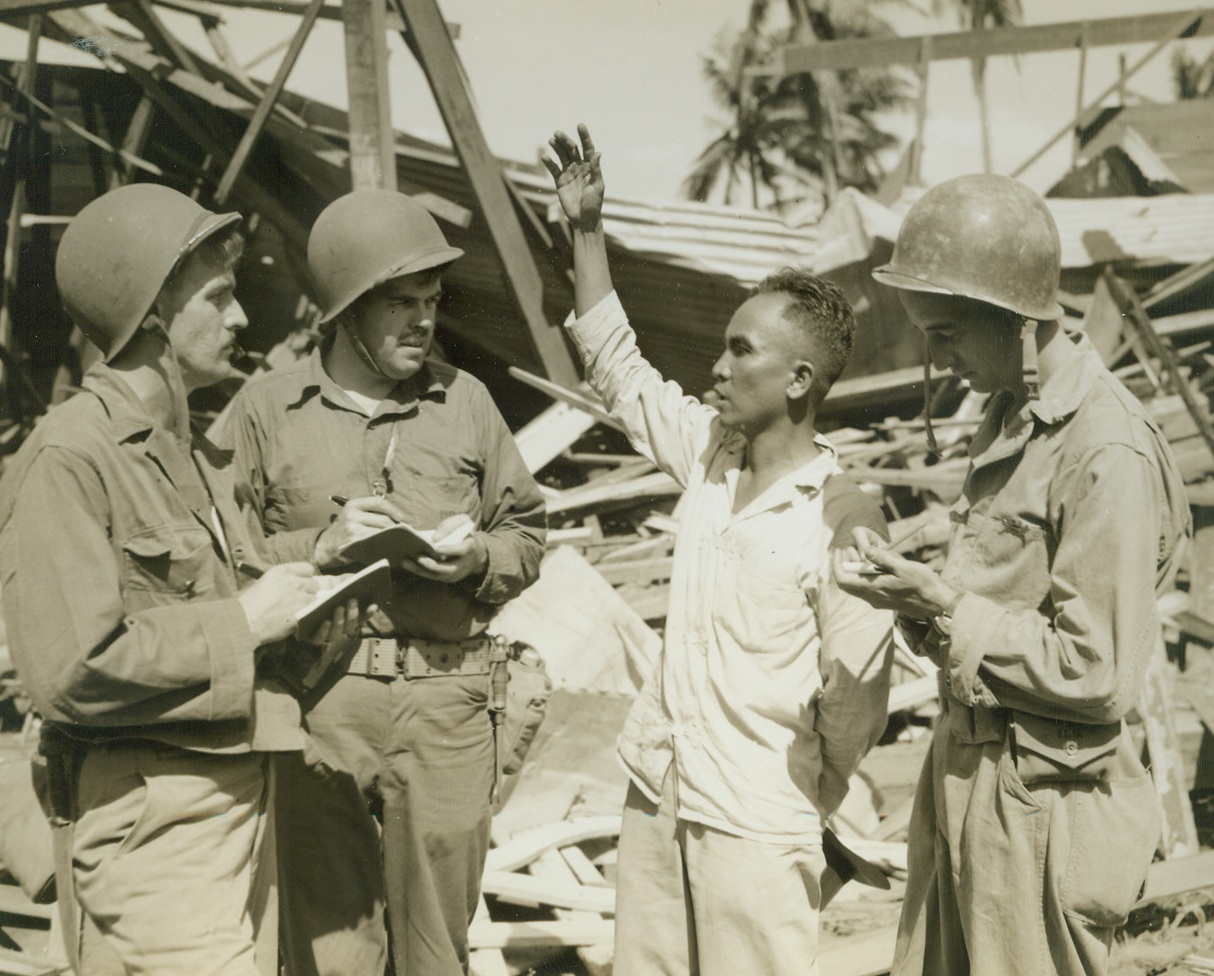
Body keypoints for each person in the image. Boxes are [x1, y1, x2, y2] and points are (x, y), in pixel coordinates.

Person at [543, 125, 894, 976]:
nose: (717, 363)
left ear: (801, 381)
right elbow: (618, 369)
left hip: (757, 817)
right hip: (659, 791)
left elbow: (857, 703)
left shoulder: (842, 522)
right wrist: (586, 233)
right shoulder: (707, 453)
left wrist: (799, 782)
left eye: (742, 349)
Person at [0, 183, 362, 976]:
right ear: (153, 312)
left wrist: (319, 599)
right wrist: (247, 623)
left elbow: (205, 620)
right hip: (156, 818)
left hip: (240, 796)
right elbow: (68, 671)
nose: (241, 318)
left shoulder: (188, 456)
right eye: (220, 295)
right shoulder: (70, 458)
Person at [833, 173, 1190, 976]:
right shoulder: (1010, 413)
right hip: (970, 773)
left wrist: (950, 607)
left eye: (949, 332)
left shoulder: (1105, 449)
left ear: (1021, 323)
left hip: (1044, 804)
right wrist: (917, 597)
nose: (936, 355)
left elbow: (1098, 672)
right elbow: (1004, 596)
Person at [215, 188, 548, 976]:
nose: (424, 320)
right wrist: (322, 544)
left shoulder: (465, 403)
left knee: (438, 952)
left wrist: (480, 562)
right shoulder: (265, 411)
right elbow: (223, 555)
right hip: (317, 705)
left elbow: (527, 534)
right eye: (401, 302)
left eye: (431, 301)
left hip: (449, 705)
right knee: (330, 955)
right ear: (347, 309)